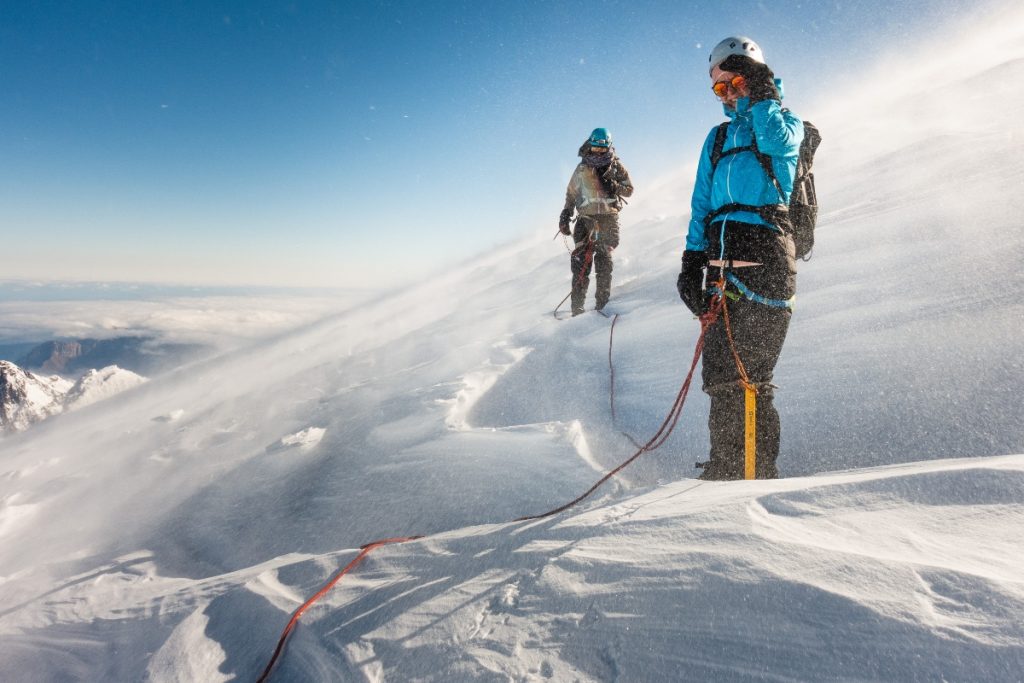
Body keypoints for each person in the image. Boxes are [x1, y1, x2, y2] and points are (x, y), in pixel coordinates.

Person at [677, 36, 805, 480]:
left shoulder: (786, 123)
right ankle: (726, 471)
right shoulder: (716, 139)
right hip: (720, 270)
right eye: (719, 88)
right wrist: (692, 260)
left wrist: (765, 95)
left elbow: (777, 142)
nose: (729, 94)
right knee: (721, 380)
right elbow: (701, 205)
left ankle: (749, 485)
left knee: (749, 379)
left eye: (736, 81)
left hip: (766, 267)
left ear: (756, 77)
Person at [559, 128, 634, 316]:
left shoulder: (616, 166)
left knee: (604, 262)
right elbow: (571, 193)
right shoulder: (582, 168)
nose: (599, 152)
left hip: (608, 218)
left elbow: (629, 190)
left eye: (602, 149)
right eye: (595, 148)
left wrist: (613, 186)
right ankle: (577, 310)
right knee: (581, 264)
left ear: (608, 146)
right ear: (590, 145)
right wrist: (566, 213)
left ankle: (603, 306)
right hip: (585, 220)